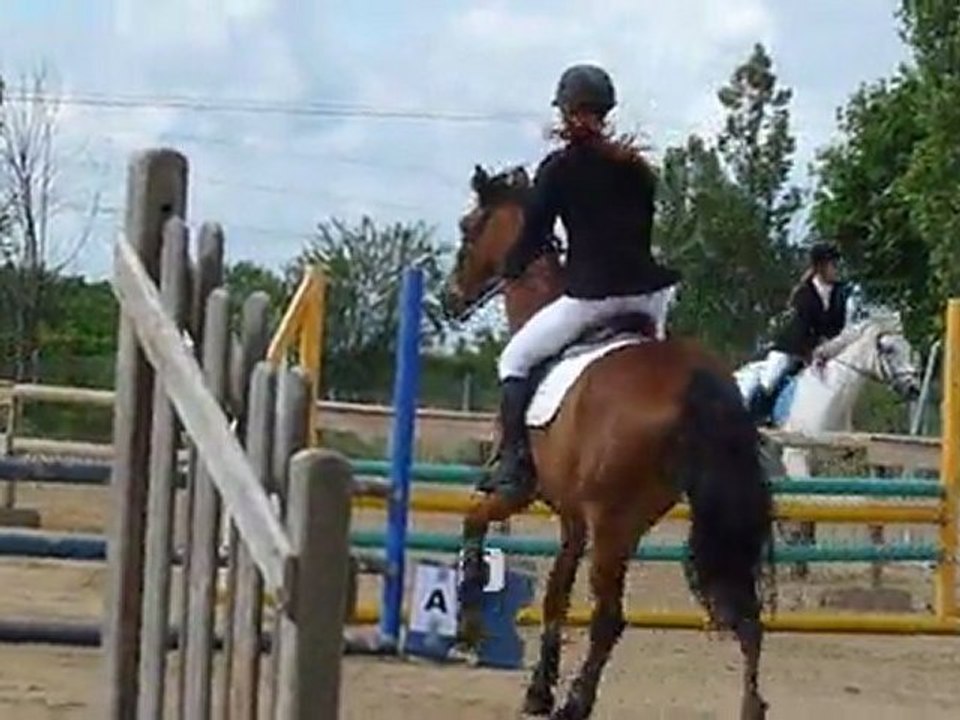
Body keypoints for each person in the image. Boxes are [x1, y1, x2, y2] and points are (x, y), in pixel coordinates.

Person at [489, 63, 682, 501]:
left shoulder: (558, 168)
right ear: (606, 113)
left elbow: (535, 235)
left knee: (514, 361)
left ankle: (515, 463)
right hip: (652, 297)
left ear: (566, 112)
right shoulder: (638, 170)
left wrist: (512, 268)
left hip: (593, 297)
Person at [748, 241, 849, 423]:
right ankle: (754, 419)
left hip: (825, 350)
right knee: (771, 379)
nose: (837, 269)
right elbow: (802, 328)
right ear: (820, 267)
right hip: (792, 347)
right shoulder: (804, 293)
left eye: (837, 264)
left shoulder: (840, 293)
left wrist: (832, 348)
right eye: (833, 265)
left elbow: (838, 327)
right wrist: (810, 352)